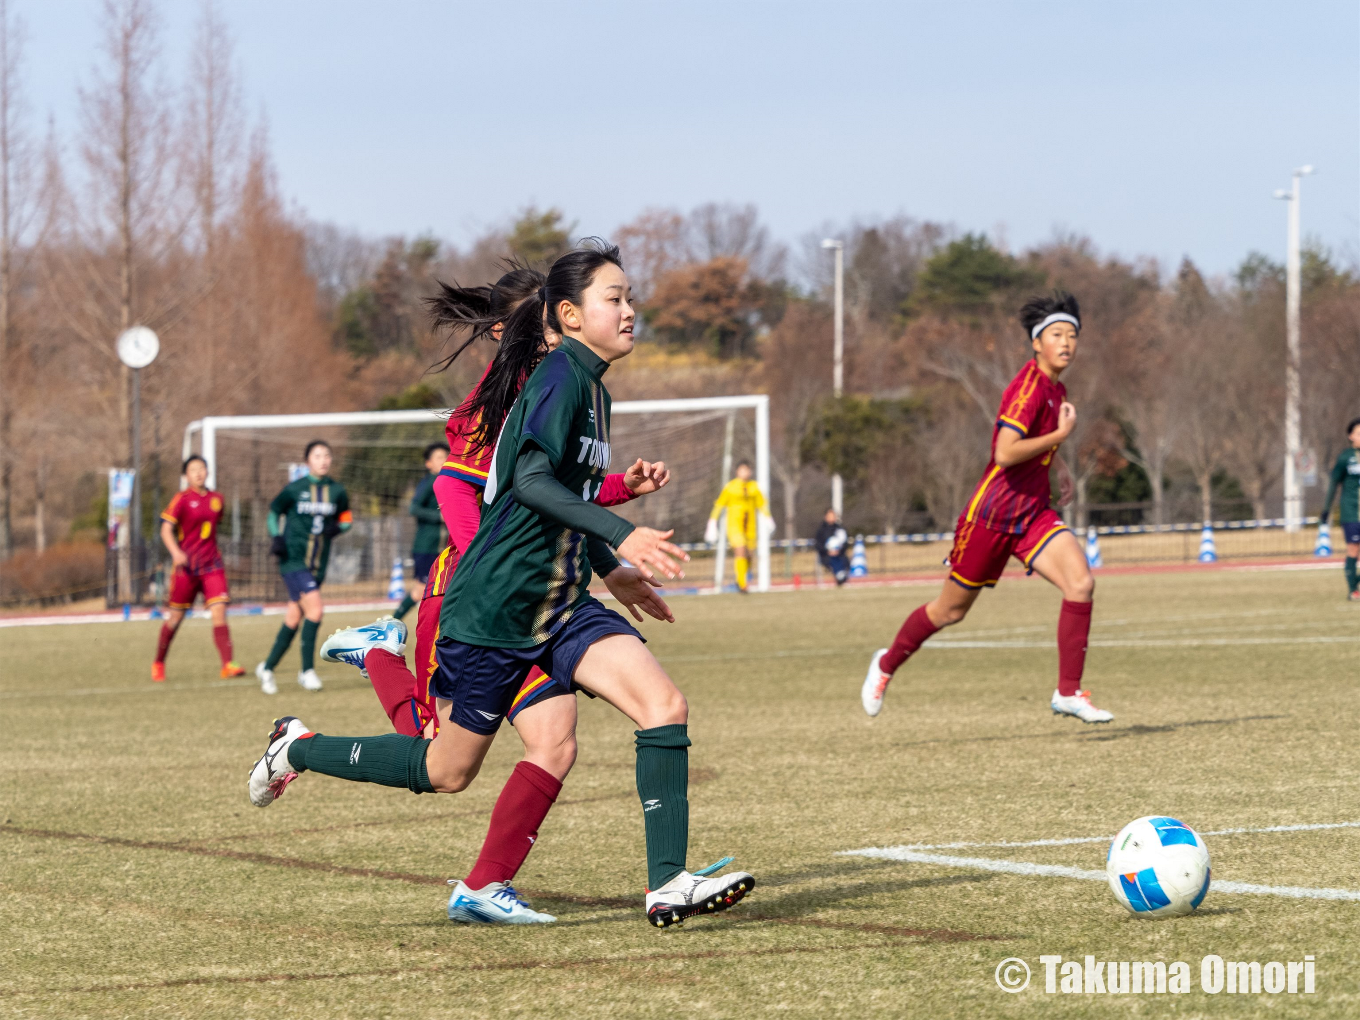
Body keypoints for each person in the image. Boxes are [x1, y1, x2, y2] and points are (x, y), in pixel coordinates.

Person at [250, 241, 754, 929]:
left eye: (631, 297)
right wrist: (621, 534)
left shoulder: (592, 388)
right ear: (570, 316)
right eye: (617, 298)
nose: (632, 310)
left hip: (560, 605)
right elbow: (528, 483)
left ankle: (667, 884)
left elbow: (557, 494)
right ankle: (298, 747)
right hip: (493, 611)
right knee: (446, 768)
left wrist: (613, 563)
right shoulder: (558, 381)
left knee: (660, 704)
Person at [316, 268, 670, 926]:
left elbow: (558, 493)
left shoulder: (565, 388)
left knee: (555, 741)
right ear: (521, 330)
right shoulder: (496, 408)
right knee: (436, 754)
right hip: (476, 596)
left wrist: (618, 497)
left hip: (531, 602)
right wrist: (505, 562)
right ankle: (373, 665)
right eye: (548, 320)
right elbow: (479, 494)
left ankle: (486, 885)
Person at [859, 291, 1113, 724]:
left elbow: (1042, 442)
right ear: (1037, 343)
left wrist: (1060, 466)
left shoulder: (1057, 388)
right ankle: (885, 665)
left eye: (1072, 334)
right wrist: (1059, 440)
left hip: (1033, 513)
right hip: (991, 518)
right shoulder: (1028, 388)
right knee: (950, 611)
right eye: (1056, 334)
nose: (1066, 342)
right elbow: (1005, 453)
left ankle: (1068, 692)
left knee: (1081, 584)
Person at [255, 440, 352, 695]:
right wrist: (276, 536)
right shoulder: (295, 489)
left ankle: (267, 667)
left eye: (327, 455)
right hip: (293, 561)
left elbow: (346, 517)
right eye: (317, 455)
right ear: (307, 460)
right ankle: (307, 671)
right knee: (316, 611)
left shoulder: (337, 491)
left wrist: (339, 527)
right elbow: (273, 512)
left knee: (294, 618)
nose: (323, 460)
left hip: (318, 564)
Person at [151, 455, 245, 682]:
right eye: (193, 469)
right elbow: (166, 529)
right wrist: (176, 552)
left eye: (202, 468)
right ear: (186, 475)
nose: (198, 473)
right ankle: (159, 662)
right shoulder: (181, 499)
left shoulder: (217, 499)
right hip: (187, 568)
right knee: (175, 618)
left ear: (207, 471)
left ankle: (227, 664)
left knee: (219, 610)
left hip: (212, 565)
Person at [391, 441, 449, 622]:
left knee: (444, 589)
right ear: (428, 463)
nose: (444, 460)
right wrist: (440, 516)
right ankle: (392, 622)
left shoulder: (450, 482)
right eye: (439, 457)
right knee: (420, 590)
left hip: (444, 548)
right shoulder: (429, 482)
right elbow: (414, 508)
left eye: (446, 457)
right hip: (426, 547)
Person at [704, 460, 772, 592]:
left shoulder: (754, 487)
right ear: (737, 472)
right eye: (742, 470)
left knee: (749, 554)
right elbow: (719, 505)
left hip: (750, 527)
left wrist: (769, 519)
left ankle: (742, 578)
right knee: (740, 549)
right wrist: (712, 522)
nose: (745, 473)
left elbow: (762, 505)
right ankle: (742, 583)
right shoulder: (730, 487)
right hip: (735, 525)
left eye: (747, 470)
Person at [1320, 417, 1360, 601]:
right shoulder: (1345, 457)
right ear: (1350, 436)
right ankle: (1353, 591)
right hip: (1351, 511)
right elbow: (1334, 483)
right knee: (1353, 550)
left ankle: (1355, 583)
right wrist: (1326, 509)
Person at [815, 508, 850, 586]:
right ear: (826, 517)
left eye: (833, 516)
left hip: (840, 554)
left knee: (844, 561)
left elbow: (845, 543)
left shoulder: (839, 529)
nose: (832, 518)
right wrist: (827, 550)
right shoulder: (821, 530)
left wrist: (838, 550)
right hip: (826, 555)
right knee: (832, 561)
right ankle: (840, 577)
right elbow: (818, 545)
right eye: (830, 516)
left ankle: (841, 577)